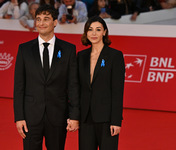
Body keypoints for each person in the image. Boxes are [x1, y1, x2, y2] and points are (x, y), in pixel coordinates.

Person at [14, 4, 80, 150]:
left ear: (55, 22)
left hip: (58, 115)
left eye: (46, 19)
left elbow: (73, 85)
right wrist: (19, 117)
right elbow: (19, 86)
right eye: (38, 19)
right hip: (31, 116)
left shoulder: (68, 50)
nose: (41, 23)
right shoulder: (24, 49)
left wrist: (74, 116)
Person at [77, 16, 125, 150]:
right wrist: (74, 116)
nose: (93, 33)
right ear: (86, 32)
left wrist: (116, 121)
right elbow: (77, 88)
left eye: (98, 30)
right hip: (85, 118)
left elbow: (117, 90)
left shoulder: (115, 56)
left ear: (104, 32)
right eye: (90, 29)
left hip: (106, 119)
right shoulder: (81, 56)